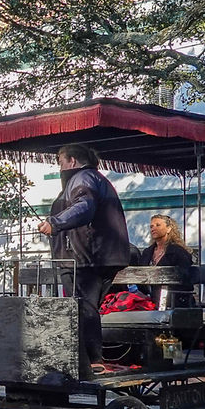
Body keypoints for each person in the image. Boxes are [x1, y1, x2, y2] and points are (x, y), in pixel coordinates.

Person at [37, 144, 131, 376]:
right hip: (95, 255)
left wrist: (55, 223)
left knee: (83, 307)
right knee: (85, 307)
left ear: (71, 161)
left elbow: (84, 206)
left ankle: (91, 361)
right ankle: (86, 358)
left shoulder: (83, 178)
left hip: (84, 256)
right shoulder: (92, 178)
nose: (59, 167)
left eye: (60, 161)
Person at [140, 214, 194, 307]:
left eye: (158, 225)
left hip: (175, 301)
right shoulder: (147, 252)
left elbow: (185, 278)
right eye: (151, 226)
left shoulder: (178, 252)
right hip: (150, 300)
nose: (153, 229)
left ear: (169, 229)